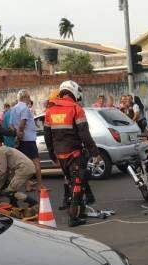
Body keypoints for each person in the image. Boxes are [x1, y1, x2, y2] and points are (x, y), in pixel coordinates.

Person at [43, 80, 101, 227]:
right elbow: (84, 134)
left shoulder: (50, 111)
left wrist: (52, 154)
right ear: (74, 91)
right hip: (74, 154)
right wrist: (95, 152)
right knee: (77, 184)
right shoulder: (76, 109)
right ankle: (73, 217)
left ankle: (79, 211)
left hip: (60, 155)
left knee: (71, 182)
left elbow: (47, 136)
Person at [0, 136, 37, 207]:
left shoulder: (0, 152)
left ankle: (34, 204)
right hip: (25, 168)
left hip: (24, 169)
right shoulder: (2, 150)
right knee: (10, 190)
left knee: (9, 192)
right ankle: (14, 206)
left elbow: (1, 170)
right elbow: (5, 172)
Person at [11, 89, 43, 191]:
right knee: (36, 163)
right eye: (28, 97)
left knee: (25, 164)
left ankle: (28, 185)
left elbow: (11, 125)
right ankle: (40, 185)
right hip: (28, 139)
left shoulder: (14, 108)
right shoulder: (24, 108)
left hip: (20, 139)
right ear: (25, 98)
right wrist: (20, 133)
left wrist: (16, 136)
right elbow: (23, 123)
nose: (29, 99)